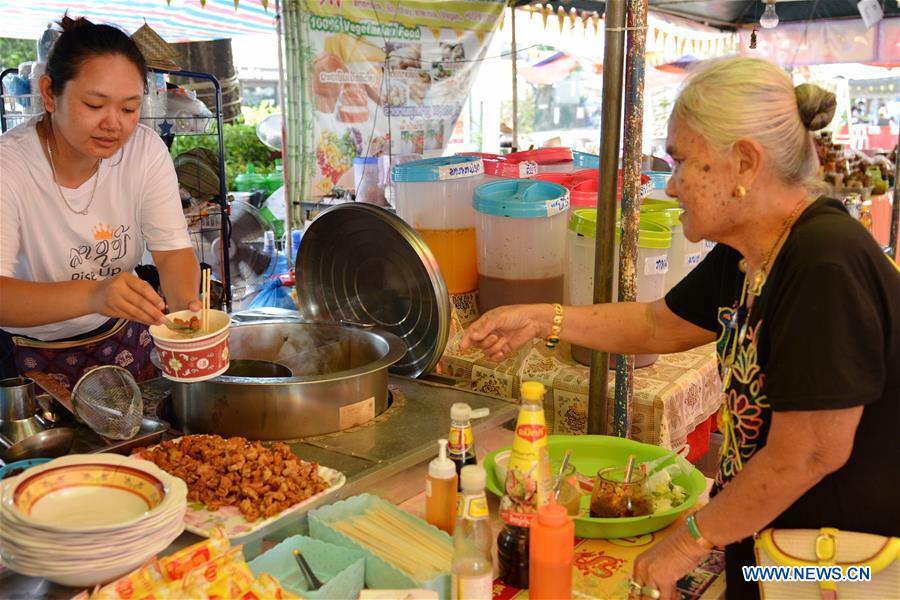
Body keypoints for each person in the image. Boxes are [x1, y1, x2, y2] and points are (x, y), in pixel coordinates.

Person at [462, 57, 900, 599]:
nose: (671, 187)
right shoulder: (751, 250)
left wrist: (689, 542)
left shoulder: (823, 262)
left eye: (682, 161)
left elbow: (811, 452)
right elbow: (655, 324)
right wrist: (540, 318)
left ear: (744, 163)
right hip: (771, 552)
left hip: (838, 570)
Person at [0, 16, 200, 386]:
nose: (114, 124)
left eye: (129, 109)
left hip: (121, 336)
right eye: (94, 105)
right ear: (49, 93)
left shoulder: (144, 151)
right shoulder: (9, 166)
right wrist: (95, 294)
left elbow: (172, 250)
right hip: (26, 351)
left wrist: (187, 318)